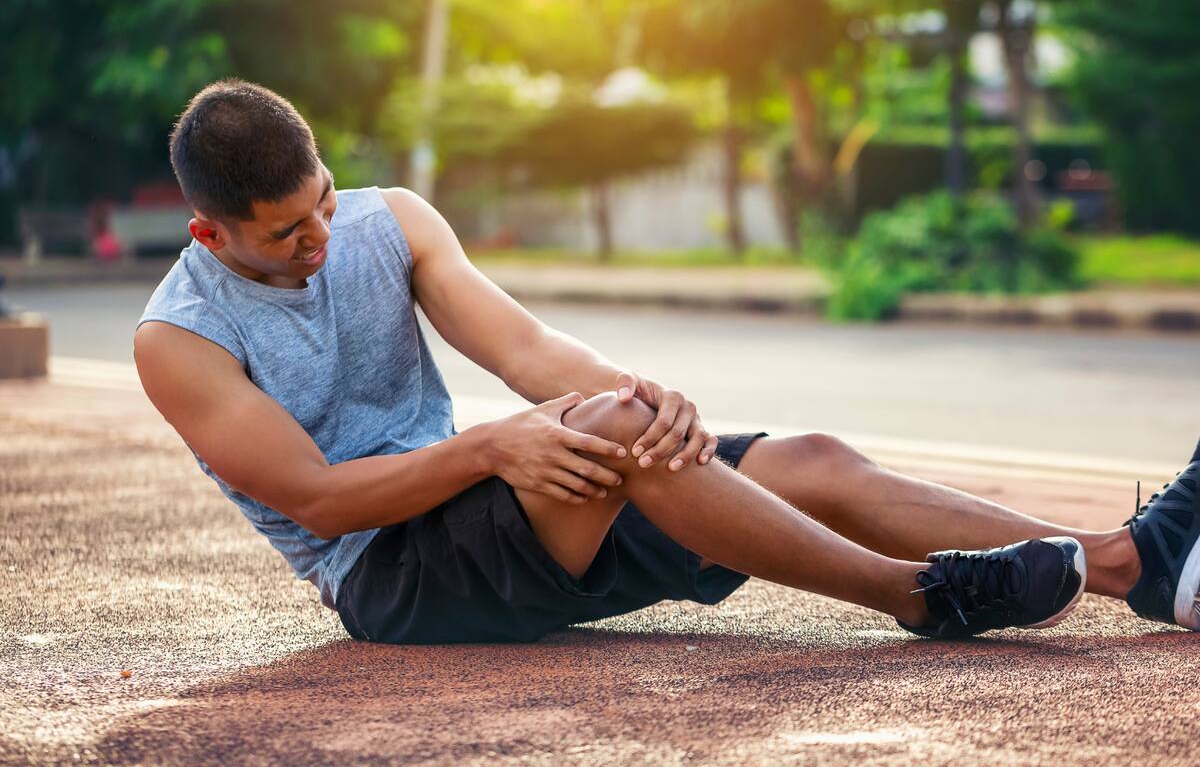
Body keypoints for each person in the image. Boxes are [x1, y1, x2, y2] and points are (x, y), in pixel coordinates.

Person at [134, 80, 1200, 645]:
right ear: (209, 232)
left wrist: (645, 396)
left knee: (812, 458)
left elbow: (528, 350)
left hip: (518, 500)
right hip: (392, 578)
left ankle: (1130, 565)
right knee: (591, 429)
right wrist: (497, 446)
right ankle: (921, 596)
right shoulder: (177, 338)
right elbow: (319, 503)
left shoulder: (390, 221)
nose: (321, 238)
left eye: (324, 199)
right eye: (287, 234)